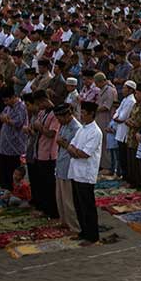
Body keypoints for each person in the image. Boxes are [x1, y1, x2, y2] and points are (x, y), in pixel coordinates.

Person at [66, 100, 102, 245]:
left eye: (84, 113)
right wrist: (74, 151)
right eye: (81, 112)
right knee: (78, 205)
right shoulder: (82, 129)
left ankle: (92, 236)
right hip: (76, 171)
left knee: (87, 206)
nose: (81, 115)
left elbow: (85, 153)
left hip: (86, 173)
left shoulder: (95, 132)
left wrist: (74, 151)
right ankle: (83, 231)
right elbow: (71, 146)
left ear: (91, 114)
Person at [53, 103, 82, 233]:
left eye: (59, 118)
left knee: (69, 200)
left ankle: (74, 226)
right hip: (61, 164)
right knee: (60, 198)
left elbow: (76, 149)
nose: (58, 121)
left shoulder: (76, 128)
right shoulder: (63, 125)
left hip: (70, 166)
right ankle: (64, 222)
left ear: (66, 115)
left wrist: (62, 143)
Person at [0, 90, 27, 191]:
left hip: (15, 144)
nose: (6, 103)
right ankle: (5, 186)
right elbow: (2, 115)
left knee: (13, 168)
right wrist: (4, 118)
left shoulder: (21, 107)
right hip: (5, 143)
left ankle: (13, 189)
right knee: (4, 167)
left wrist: (8, 120)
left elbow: (19, 122)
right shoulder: (8, 107)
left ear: (13, 97)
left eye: (7, 100)